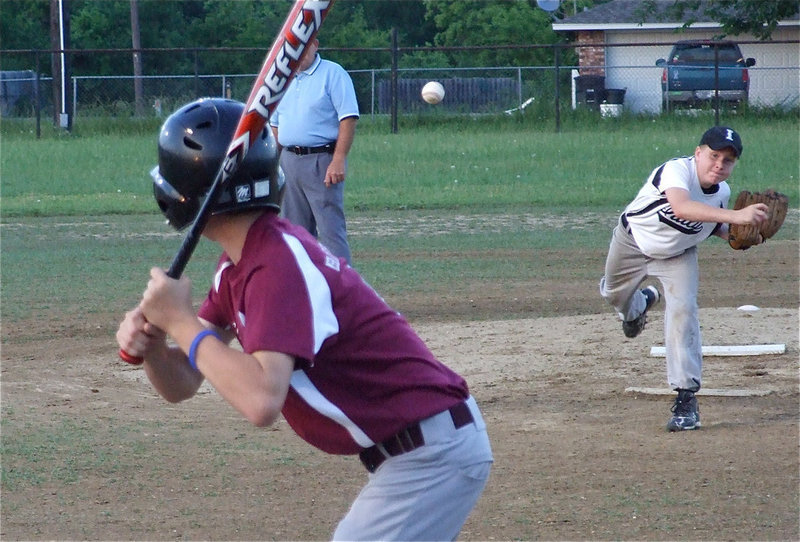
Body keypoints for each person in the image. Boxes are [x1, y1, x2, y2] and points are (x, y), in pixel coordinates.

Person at [116, 98, 492, 540]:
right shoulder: (240, 264)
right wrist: (159, 345)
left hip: (432, 454)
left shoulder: (276, 264)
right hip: (420, 448)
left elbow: (261, 401)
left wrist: (180, 322)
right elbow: (185, 381)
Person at [599, 126, 769, 432]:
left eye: (728, 160)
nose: (719, 164)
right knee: (614, 295)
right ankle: (640, 305)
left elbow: (713, 225)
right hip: (633, 242)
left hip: (678, 255)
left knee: (683, 310)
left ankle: (686, 398)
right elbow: (681, 206)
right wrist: (736, 217)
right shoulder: (676, 171)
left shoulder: (723, 194)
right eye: (714, 155)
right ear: (698, 153)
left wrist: (743, 236)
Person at [270, 38, 358, 264]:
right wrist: (270, 164)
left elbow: (347, 118)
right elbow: (276, 127)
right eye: (293, 48)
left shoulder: (333, 74)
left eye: (303, 46)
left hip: (321, 161)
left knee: (330, 232)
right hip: (289, 161)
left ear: (315, 44)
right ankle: (305, 288)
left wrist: (338, 159)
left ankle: (342, 289)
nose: (298, 53)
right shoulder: (283, 79)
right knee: (295, 233)